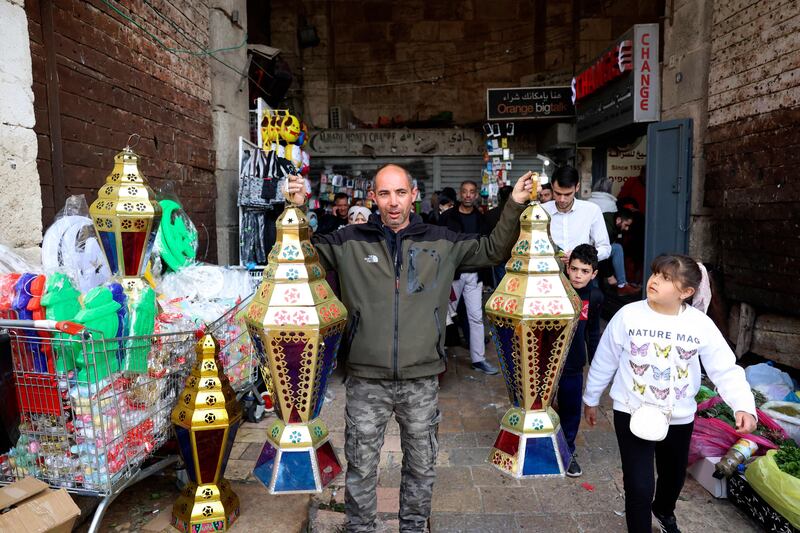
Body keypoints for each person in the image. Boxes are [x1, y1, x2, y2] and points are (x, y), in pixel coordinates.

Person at [286, 166, 535, 533]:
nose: (393, 202)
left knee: (421, 466)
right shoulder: (347, 240)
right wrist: (296, 209)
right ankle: (360, 529)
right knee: (361, 466)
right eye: (384, 194)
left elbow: (493, 249)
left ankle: (414, 528)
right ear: (373, 197)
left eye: (400, 193)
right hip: (366, 379)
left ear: (413, 194)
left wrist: (513, 203)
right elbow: (299, 254)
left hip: (421, 379)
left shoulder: (441, 240)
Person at [583, 254, 757, 533]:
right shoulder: (628, 315)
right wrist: (591, 398)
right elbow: (605, 359)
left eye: (666, 279)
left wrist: (743, 405)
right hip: (631, 410)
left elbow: (724, 368)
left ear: (686, 292)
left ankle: (664, 511)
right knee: (638, 486)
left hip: (678, 416)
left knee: (673, 477)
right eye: (655, 274)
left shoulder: (699, 325)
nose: (654, 281)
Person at [438, 180, 497, 375]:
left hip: (475, 274)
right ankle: (435, 356)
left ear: (476, 195)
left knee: (476, 317)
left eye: (472, 192)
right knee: (440, 315)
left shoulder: (482, 220)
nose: (468, 195)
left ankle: (478, 359)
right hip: (453, 274)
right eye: (465, 192)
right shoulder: (447, 217)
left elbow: (488, 247)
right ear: (460, 194)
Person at [557, 244, 603, 477]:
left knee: (571, 411)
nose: (578, 275)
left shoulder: (594, 296)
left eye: (584, 271)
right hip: (548, 362)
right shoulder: (556, 290)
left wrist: (596, 363)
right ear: (567, 268)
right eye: (574, 269)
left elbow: (593, 332)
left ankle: (567, 452)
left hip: (574, 364)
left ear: (593, 273)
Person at [542, 165, 611, 264]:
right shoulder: (542, 211)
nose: (562, 199)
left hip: (580, 273)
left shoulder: (591, 210)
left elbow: (605, 249)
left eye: (567, 194)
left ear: (577, 187)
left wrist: (580, 256)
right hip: (548, 273)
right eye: (557, 193)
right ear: (552, 187)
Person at [602, 208, 639, 296]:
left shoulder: (612, 222)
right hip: (589, 255)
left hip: (591, 253)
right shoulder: (608, 229)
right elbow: (601, 253)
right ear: (618, 220)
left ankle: (622, 284)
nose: (626, 228)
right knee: (617, 248)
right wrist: (610, 275)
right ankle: (622, 285)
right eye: (626, 225)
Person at [485, 186, 514, 287]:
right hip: (514, 255)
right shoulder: (519, 213)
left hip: (497, 255)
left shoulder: (490, 214)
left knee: (501, 286)